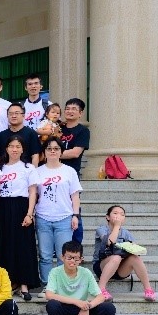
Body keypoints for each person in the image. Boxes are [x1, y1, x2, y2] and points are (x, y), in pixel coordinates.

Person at [46, 241, 116, 315]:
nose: (72, 261)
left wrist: (87, 307)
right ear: (62, 257)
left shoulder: (86, 273)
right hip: (64, 310)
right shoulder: (55, 272)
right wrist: (76, 302)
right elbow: (49, 294)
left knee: (109, 308)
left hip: (83, 310)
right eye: (69, 258)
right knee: (52, 305)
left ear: (81, 259)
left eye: (76, 258)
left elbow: (101, 296)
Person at [0, 136, 40, 301]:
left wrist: (29, 213)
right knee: (4, 245)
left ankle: (24, 284)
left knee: (23, 246)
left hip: (21, 207)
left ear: (22, 149)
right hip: (2, 208)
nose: (14, 149)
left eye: (18, 146)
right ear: (6, 149)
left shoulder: (28, 168)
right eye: (11, 146)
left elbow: (33, 192)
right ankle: (8, 282)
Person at [35, 137, 82, 292]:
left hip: (64, 218)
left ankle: (62, 286)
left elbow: (75, 195)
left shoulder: (69, 171)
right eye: (49, 149)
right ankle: (47, 286)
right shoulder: (38, 171)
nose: (53, 151)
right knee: (45, 255)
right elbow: (34, 195)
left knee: (64, 255)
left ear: (61, 151)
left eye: (56, 149)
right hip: (43, 217)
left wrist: (75, 215)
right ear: (44, 152)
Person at [93, 205, 156, 302]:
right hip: (102, 266)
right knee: (116, 257)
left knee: (135, 258)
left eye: (122, 214)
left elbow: (134, 249)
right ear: (108, 217)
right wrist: (117, 226)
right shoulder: (102, 229)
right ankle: (100, 289)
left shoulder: (126, 233)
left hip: (120, 269)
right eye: (115, 213)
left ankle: (148, 290)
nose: (118, 216)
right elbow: (109, 242)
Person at [61, 98, 90, 243]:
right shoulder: (57, 127)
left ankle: (76, 246)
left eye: (74, 109)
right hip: (52, 173)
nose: (70, 111)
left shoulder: (83, 131)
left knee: (74, 209)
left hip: (71, 174)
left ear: (80, 113)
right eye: (67, 108)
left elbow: (75, 153)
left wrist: (51, 154)